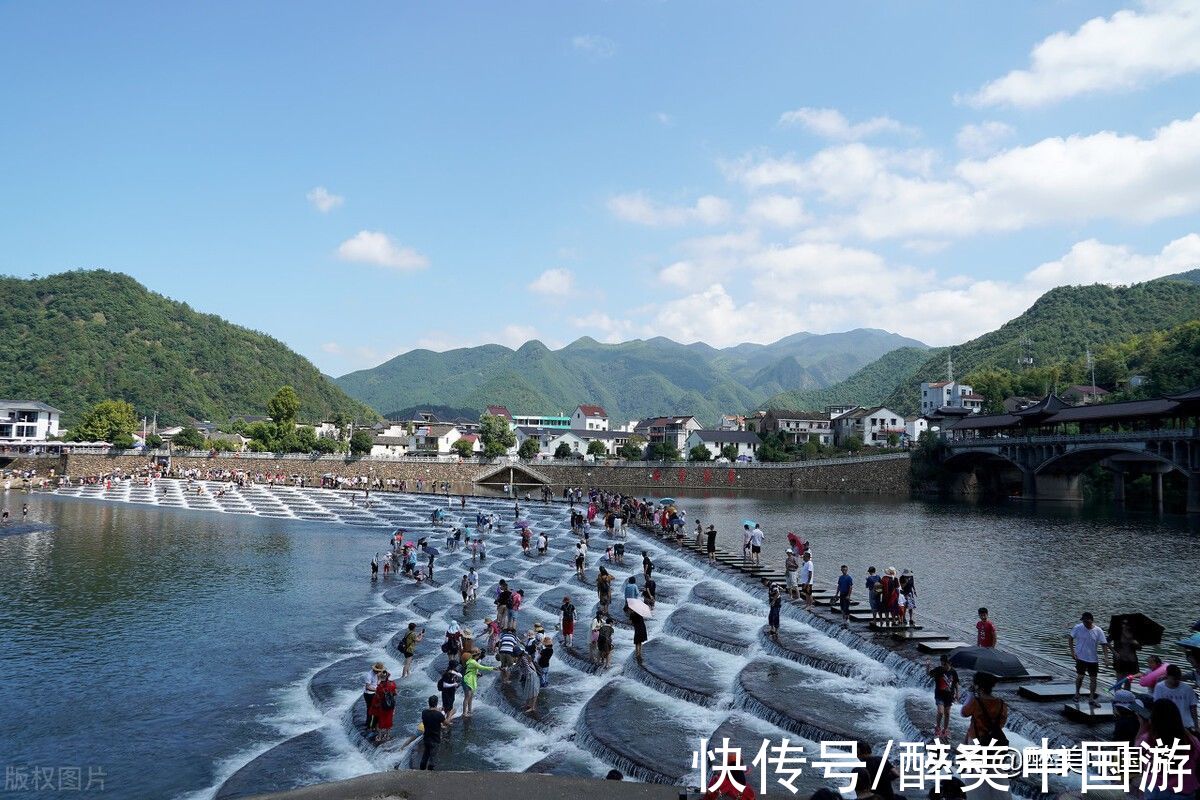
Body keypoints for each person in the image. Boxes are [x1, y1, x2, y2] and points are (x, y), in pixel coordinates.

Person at [1134, 698, 1200, 799]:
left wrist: (1143, 725)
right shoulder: (1192, 741)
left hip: (1156, 791)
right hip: (1184, 792)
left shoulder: (1148, 740)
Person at [1068, 612, 1110, 705]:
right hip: (1080, 657)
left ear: (1091, 620)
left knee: (1093, 679)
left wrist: (1106, 657)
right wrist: (1072, 652)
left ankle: (1091, 698)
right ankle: (1077, 694)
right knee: (1080, 676)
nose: (1084, 623)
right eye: (1083, 621)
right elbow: (1070, 638)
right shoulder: (1078, 627)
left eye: (1086, 621)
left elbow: (1104, 644)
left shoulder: (1098, 630)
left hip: (1093, 659)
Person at [960, 672, 1007, 746]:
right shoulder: (1001, 704)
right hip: (993, 741)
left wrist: (970, 695)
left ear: (979, 687)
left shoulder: (975, 702)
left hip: (976, 739)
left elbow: (963, 713)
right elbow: (1002, 722)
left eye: (974, 684)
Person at [1152, 664, 1199, 732]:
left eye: (1178, 678)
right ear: (1167, 676)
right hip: (1167, 724)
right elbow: (1157, 706)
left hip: (1185, 725)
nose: (1176, 681)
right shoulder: (1160, 687)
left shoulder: (1188, 689)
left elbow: (1193, 708)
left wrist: (1196, 726)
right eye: (1174, 679)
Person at [927, 654, 959, 739]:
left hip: (949, 696)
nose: (943, 666)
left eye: (944, 664)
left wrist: (957, 693)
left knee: (947, 713)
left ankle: (945, 729)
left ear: (949, 663)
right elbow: (929, 674)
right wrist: (928, 665)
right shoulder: (938, 670)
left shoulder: (953, 672)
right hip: (939, 694)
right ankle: (937, 727)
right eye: (942, 664)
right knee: (941, 712)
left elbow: (956, 683)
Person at [461, 649, 494, 717]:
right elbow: (482, 667)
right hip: (467, 681)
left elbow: (472, 669)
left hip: (470, 681)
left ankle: (469, 711)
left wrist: (477, 673)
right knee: (467, 697)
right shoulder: (472, 662)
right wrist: (494, 668)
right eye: (479, 654)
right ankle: (464, 713)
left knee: (470, 697)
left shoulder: (469, 662)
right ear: (476, 655)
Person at [419, 695, 446, 769]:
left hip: (426, 737)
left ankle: (421, 770)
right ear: (436, 703)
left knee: (425, 755)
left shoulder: (424, 712)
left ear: (429, 703)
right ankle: (430, 772)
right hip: (435, 738)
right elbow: (445, 722)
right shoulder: (439, 714)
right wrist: (442, 713)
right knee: (433, 757)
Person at [370, 669, 397, 743]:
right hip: (391, 706)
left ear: (380, 678)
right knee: (389, 720)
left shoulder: (379, 687)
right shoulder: (392, 684)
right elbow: (395, 694)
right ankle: (387, 736)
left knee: (381, 722)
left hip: (382, 707)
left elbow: (377, 698)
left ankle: (380, 736)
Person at [363, 661, 384, 731]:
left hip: (373, 693)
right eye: (378, 671)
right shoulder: (369, 675)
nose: (379, 672)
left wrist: (379, 681)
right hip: (369, 694)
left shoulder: (376, 674)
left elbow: (377, 681)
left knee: (373, 709)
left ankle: (370, 724)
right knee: (371, 710)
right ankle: (370, 725)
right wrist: (376, 690)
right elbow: (368, 687)